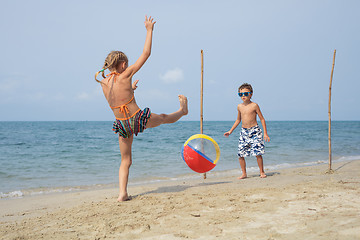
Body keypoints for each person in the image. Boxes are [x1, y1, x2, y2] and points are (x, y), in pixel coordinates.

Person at [95, 16, 188, 201]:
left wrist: (131, 89)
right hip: (136, 118)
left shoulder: (103, 82)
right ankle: (183, 111)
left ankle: (122, 193)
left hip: (121, 125)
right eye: (126, 64)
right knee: (162, 118)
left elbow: (118, 97)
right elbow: (146, 54)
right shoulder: (126, 74)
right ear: (122, 64)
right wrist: (149, 30)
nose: (127, 67)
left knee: (126, 160)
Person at [224, 83, 270, 179]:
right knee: (241, 154)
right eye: (240, 94)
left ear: (251, 94)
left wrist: (265, 133)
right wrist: (230, 131)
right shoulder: (239, 106)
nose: (243, 96)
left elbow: (262, 119)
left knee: (258, 153)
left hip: (255, 131)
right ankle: (244, 173)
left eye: (245, 93)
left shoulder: (254, 105)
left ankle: (262, 172)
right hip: (244, 132)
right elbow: (238, 120)